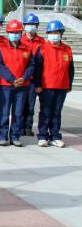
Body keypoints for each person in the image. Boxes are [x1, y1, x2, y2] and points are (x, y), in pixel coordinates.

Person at [34, 20, 75, 148]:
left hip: (62, 86)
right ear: (48, 34)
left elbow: (71, 69)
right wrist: (38, 85)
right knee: (45, 111)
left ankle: (55, 136)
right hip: (46, 86)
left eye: (56, 32)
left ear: (61, 33)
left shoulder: (67, 49)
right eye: (51, 32)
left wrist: (69, 85)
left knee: (57, 111)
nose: (54, 35)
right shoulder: (42, 49)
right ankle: (42, 136)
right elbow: (37, 69)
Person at [0, 19, 34, 147]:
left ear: (20, 32)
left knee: (18, 113)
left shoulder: (27, 49)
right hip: (6, 86)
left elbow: (31, 65)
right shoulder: (2, 47)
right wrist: (12, 79)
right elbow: (0, 66)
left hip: (22, 86)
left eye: (17, 32)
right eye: (12, 32)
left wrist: (23, 78)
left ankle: (15, 136)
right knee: (4, 112)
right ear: (8, 33)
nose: (14, 35)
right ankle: (3, 136)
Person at [20, 13, 44, 136]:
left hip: (33, 78)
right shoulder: (19, 39)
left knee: (30, 104)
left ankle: (28, 127)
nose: (31, 27)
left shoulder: (41, 41)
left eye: (33, 24)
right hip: (21, 77)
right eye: (29, 24)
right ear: (24, 26)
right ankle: (18, 127)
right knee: (20, 105)